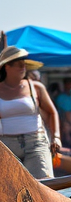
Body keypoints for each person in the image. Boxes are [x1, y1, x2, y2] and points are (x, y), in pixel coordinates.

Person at [0, 36, 60, 178]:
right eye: (19, 64)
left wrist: (56, 137)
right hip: (7, 145)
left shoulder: (36, 87)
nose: (23, 67)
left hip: (35, 142)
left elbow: (52, 113)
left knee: (44, 185)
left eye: (24, 64)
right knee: (8, 190)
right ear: (7, 66)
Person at [54, 77, 71, 145]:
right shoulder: (61, 97)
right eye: (69, 83)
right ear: (65, 84)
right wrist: (69, 125)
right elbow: (65, 112)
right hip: (64, 122)